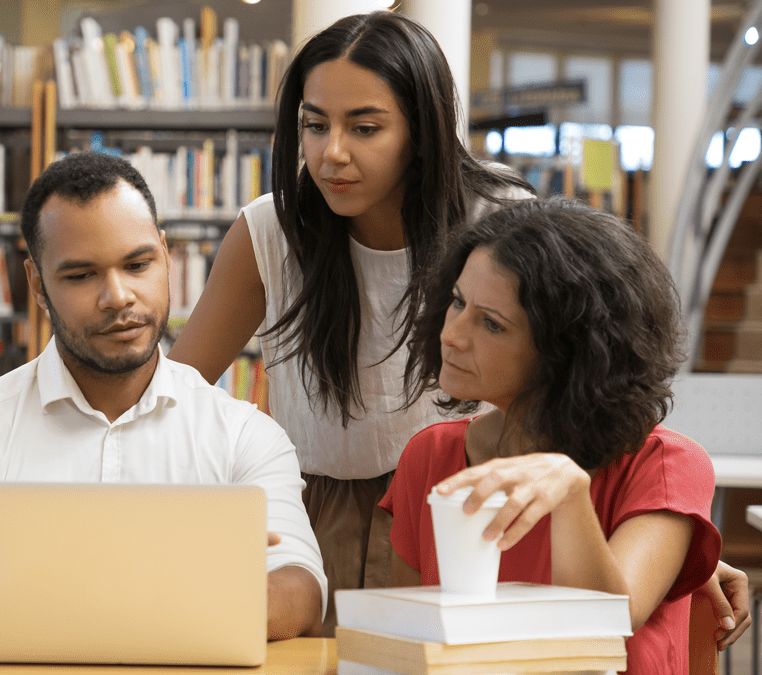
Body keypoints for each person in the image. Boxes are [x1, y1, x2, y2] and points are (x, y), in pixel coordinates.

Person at [166, 10, 533, 632]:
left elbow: (569, 384)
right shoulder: (270, 230)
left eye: (364, 128)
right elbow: (171, 397)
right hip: (308, 518)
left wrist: (630, 522)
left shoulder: (499, 219)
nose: (331, 153)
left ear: (422, 129)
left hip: (462, 510)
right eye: (314, 126)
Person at [0, 151, 327, 640]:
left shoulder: (245, 436)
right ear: (38, 286)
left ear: (166, 258)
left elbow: (299, 596)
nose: (118, 296)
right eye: (81, 276)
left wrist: (44, 595)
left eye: (138, 264)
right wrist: (194, 589)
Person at [382, 198, 721, 673]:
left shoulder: (666, 463)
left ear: (569, 351)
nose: (452, 335)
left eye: (491, 324)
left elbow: (608, 623)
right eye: (458, 301)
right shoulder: (431, 455)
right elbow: (415, 643)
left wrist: (568, 489)